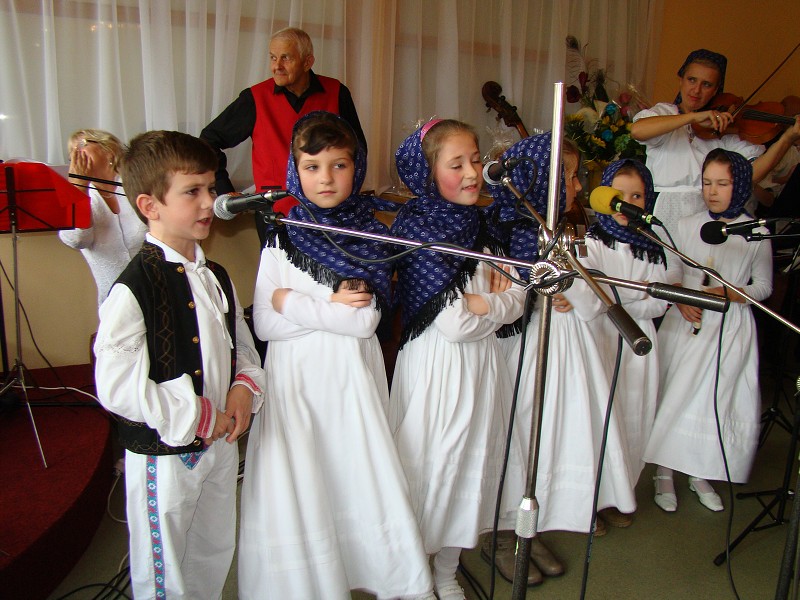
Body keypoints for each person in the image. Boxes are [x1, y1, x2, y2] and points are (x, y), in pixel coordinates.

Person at [238, 112, 434, 600]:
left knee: (355, 472)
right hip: (295, 382)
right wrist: (323, 306)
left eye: (339, 165)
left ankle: (373, 572)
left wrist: (289, 303)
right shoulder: (281, 234)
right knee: (301, 479)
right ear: (294, 171)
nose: (325, 178)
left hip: (349, 379)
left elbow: (364, 322)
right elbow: (263, 323)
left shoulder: (371, 233)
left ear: (358, 166)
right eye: (311, 167)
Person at [93, 130, 266, 600]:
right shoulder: (134, 289)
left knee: (211, 552)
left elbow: (242, 346)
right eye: (192, 191)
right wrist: (199, 416)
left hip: (220, 445)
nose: (210, 201)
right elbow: (118, 389)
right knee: (165, 571)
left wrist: (244, 389)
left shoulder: (217, 276)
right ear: (150, 205)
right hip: (165, 458)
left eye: (211, 188)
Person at [388, 119, 527, 600]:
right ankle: (414, 574)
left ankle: (447, 569)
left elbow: (520, 299)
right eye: (457, 164)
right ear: (428, 173)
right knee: (432, 467)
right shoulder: (420, 230)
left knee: (472, 466)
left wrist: (486, 305)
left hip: (482, 367)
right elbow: (451, 324)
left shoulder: (482, 225)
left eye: (475, 159)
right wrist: (492, 304)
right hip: (438, 369)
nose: (473, 172)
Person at [486, 132, 637, 542]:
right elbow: (511, 291)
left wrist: (574, 289)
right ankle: (530, 507)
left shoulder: (567, 231)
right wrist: (553, 291)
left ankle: (580, 501)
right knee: (535, 420)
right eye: (568, 177)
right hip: (532, 343)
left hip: (572, 342)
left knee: (578, 418)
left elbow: (589, 294)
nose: (576, 187)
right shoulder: (511, 232)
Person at [644, 149, 773, 513]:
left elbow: (763, 286)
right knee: (676, 394)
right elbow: (671, 271)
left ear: (741, 185)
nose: (712, 191)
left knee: (712, 399)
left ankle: (699, 470)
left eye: (722, 183)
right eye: (706, 182)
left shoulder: (756, 231)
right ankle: (664, 472)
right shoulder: (687, 223)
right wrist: (681, 297)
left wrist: (731, 292)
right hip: (688, 319)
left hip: (729, 324)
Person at [200, 27, 367, 247]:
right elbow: (207, 141)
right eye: (272, 57)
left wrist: (346, 196)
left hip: (329, 213)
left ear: (307, 62)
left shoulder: (336, 92)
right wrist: (224, 188)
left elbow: (359, 151)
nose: (276, 66)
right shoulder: (255, 97)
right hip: (274, 213)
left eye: (285, 58)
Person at [631, 48, 800, 236]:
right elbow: (638, 130)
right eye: (692, 80)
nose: (696, 90)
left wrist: (787, 138)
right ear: (681, 80)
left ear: (715, 91)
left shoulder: (724, 129)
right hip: (665, 209)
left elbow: (750, 175)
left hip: (709, 213)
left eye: (707, 84)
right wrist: (692, 118)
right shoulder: (664, 113)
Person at [584, 159, 669, 524]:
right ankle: (595, 499)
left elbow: (661, 300)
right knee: (604, 417)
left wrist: (620, 296)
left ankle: (622, 493)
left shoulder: (654, 244)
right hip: (604, 338)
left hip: (641, 343)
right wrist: (631, 298)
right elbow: (597, 297)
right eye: (618, 195)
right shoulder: (592, 242)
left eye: (636, 196)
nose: (626, 203)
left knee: (635, 413)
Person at [60, 129, 147, 307]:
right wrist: (78, 190)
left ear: (109, 149)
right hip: (114, 302)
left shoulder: (138, 184)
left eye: (82, 145)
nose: (75, 154)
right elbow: (77, 240)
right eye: (71, 153)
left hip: (158, 292)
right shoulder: (75, 196)